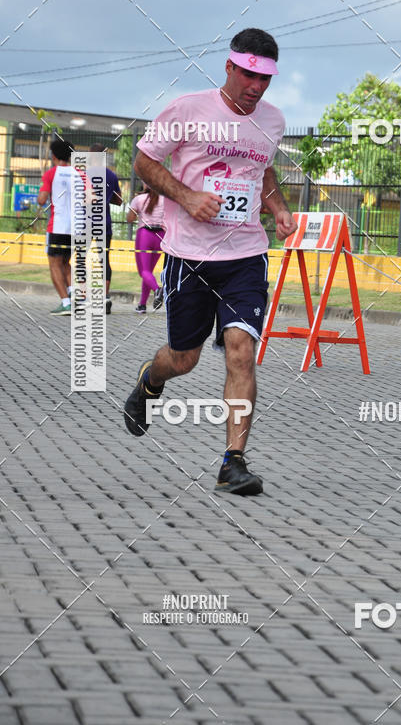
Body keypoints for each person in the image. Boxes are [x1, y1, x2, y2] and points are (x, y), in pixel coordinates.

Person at [123, 28, 297, 495]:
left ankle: (232, 463)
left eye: (265, 78)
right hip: (190, 256)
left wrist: (278, 208)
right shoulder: (188, 110)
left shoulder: (273, 121)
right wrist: (187, 196)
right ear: (229, 67)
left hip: (245, 256)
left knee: (241, 350)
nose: (256, 87)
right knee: (184, 358)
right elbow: (144, 162)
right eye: (248, 75)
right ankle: (150, 381)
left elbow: (262, 170)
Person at [38, 138, 76, 315]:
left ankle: (66, 303)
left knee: (54, 264)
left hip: (57, 226)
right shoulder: (79, 173)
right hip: (75, 228)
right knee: (66, 262)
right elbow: (92, 198)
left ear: (53, 156)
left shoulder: (51, 173)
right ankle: (74, 295)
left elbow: (42, 200)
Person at [88, 143, 123, 314]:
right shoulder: (111, 175)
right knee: (104, 260)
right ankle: (105, 297)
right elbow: (119, 201)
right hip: (104, 222)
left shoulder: (83, 173)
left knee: (80, 258)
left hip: (86, 221)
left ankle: (80, 297)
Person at [126, 185, 166, 312]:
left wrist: (134, 209)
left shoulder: (139, 199)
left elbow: (130, 219)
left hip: (145, 234)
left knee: (143, 271)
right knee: (148, 271)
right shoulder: (165, 199)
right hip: (160, 236)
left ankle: (157, 290)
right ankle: (142, 305)